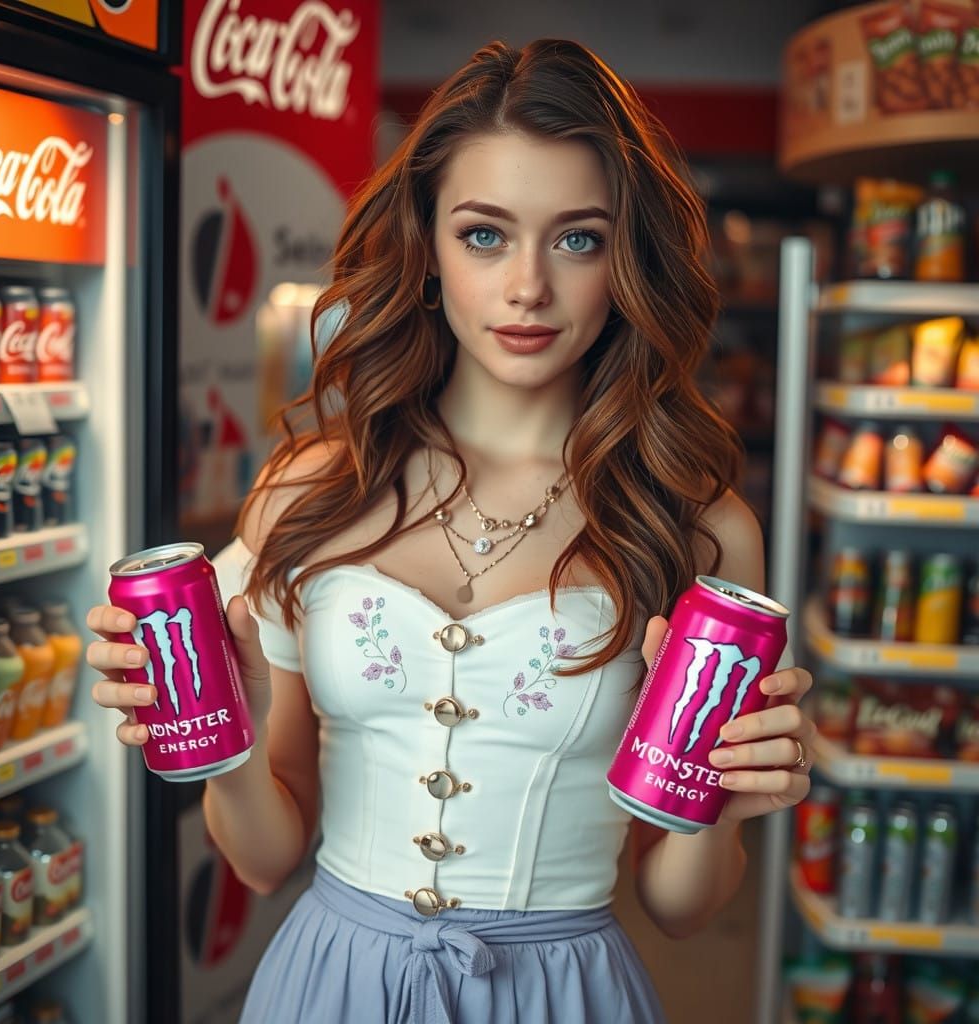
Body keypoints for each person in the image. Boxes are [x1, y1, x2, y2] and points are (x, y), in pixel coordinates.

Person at [87, 38, 815, 1024]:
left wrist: (729, 802)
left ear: (624, 260)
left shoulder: (694, 525)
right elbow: (263, 859)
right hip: (331, 982)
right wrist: (233, 742)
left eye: (576, 239)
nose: (527, 287)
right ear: (426, 249)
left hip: (564, 991)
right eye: (484, 234)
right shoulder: (309, 491)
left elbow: (675, 904)